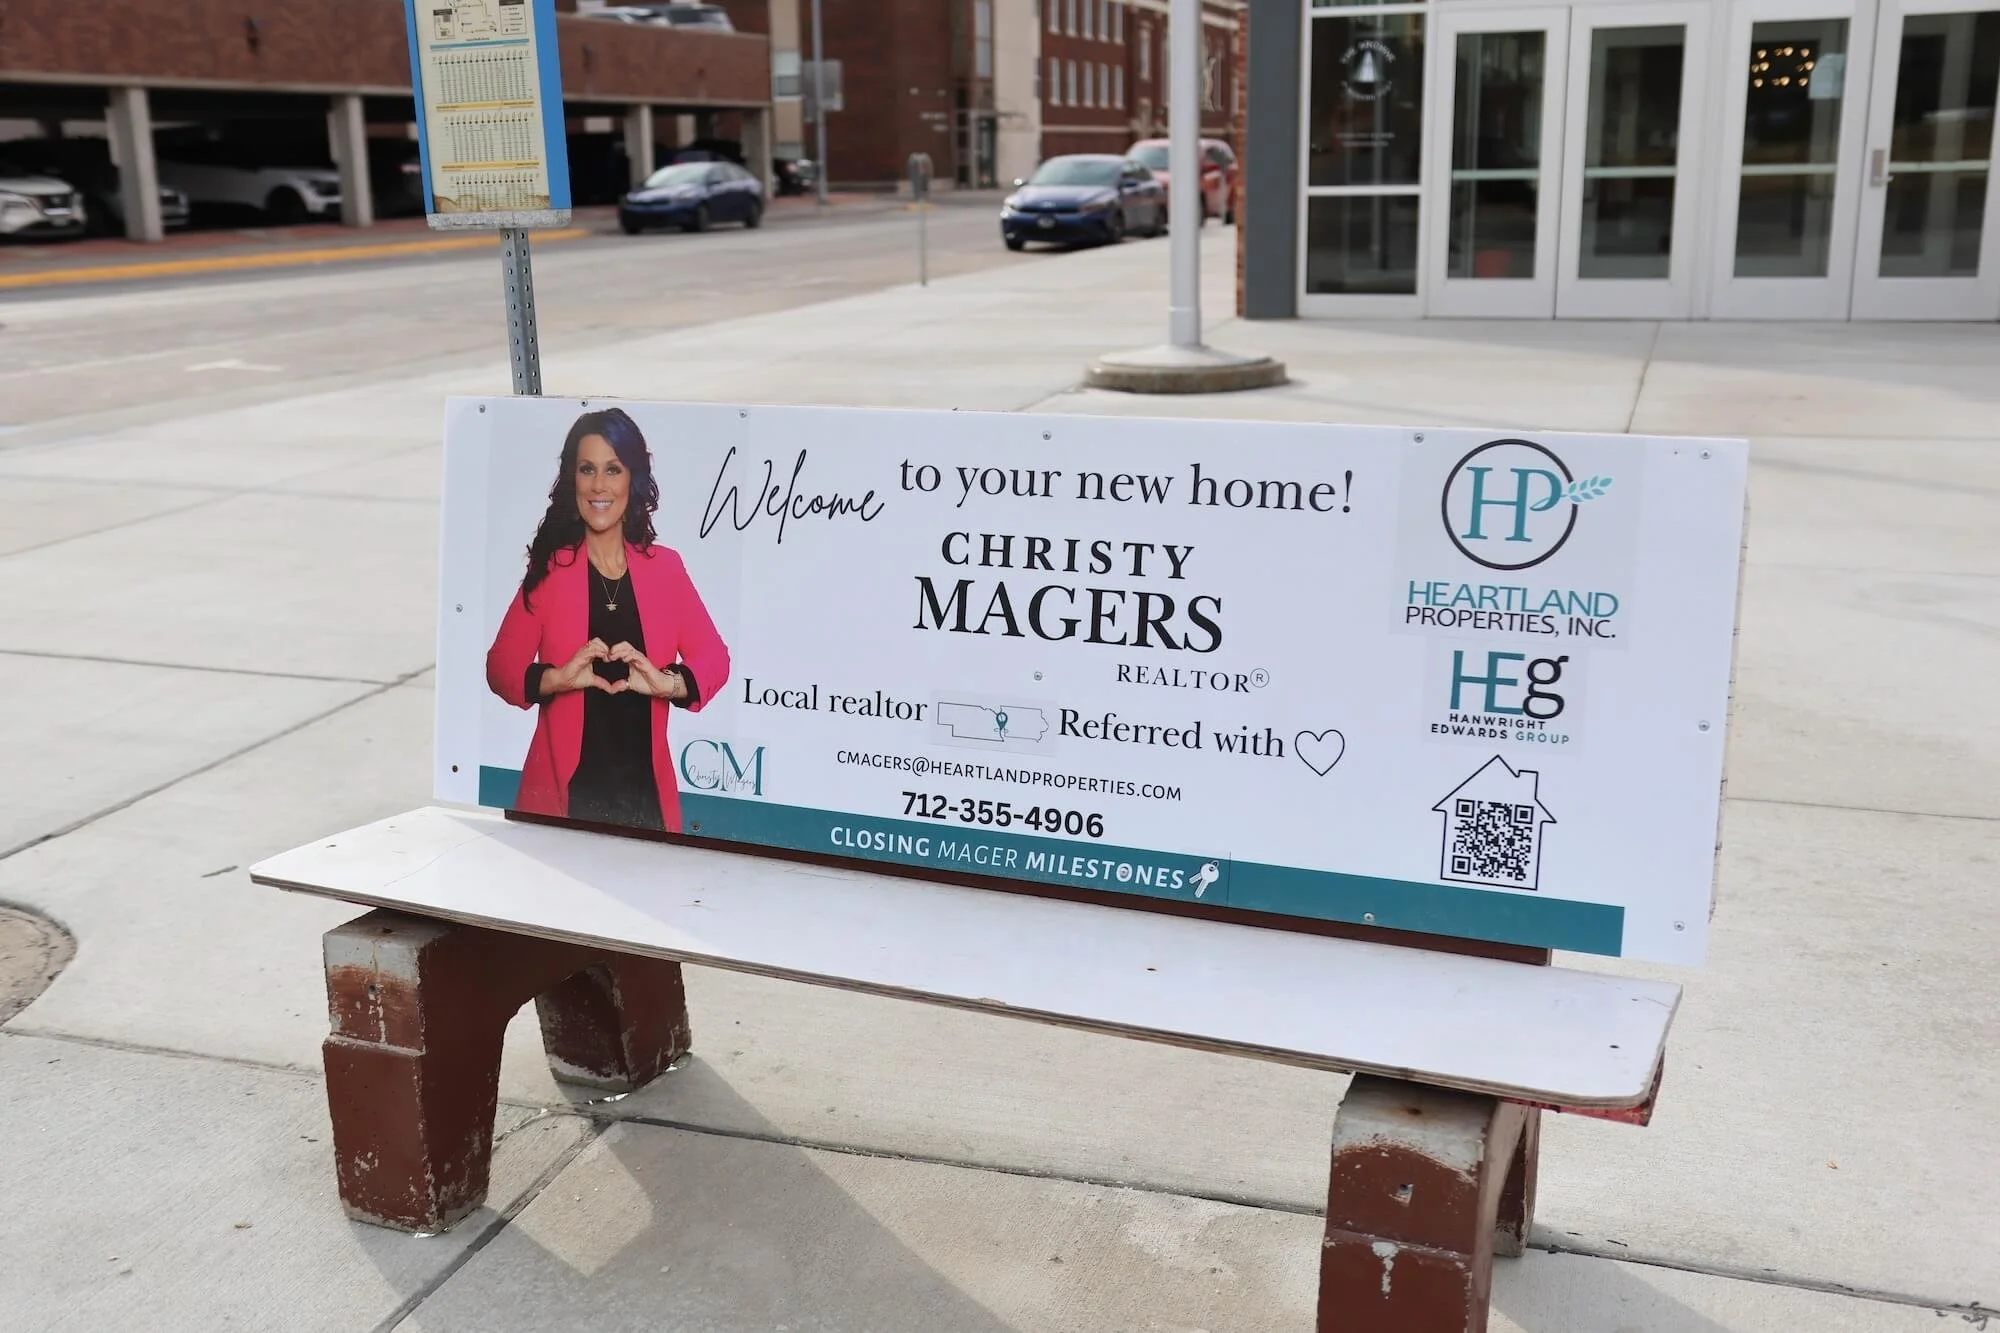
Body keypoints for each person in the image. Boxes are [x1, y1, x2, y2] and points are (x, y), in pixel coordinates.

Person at [486, 408, 730, 832]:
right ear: (572, 479)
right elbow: (501, 667)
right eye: (587, 469)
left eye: (613, 469)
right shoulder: (551, 571)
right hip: (561, 802)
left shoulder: (666, 569)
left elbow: (715, 658)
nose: (599, 485)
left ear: (632, 480)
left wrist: (668, 683)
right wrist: (557, 679)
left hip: (646, 803)